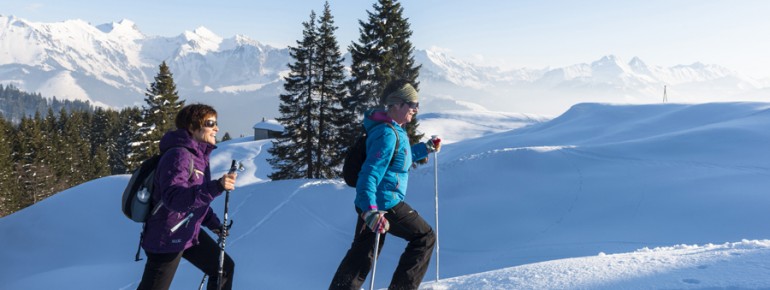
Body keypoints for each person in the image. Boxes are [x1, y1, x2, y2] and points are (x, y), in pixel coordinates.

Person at [330, 79, 442, 290]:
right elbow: (369, 173)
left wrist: (425, 148)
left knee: (362, 253)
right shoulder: (387, 134)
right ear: (397, 104)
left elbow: (399, 158)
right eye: (412, 104)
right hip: (383, 202)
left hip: (374, 202)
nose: (416, 110)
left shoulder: (393, 129)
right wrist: (371, 211)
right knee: (424, 237)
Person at [137, 104, 237, 290]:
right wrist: (216, 186)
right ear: (192, 127)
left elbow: (194, 200)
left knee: (223, 269)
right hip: (167, 235)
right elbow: (174, 199)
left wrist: (213, 223)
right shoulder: (178, 155)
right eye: (210, 123)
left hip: (187, 230)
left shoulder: (198, 156)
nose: (216, 128)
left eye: (216, 123)